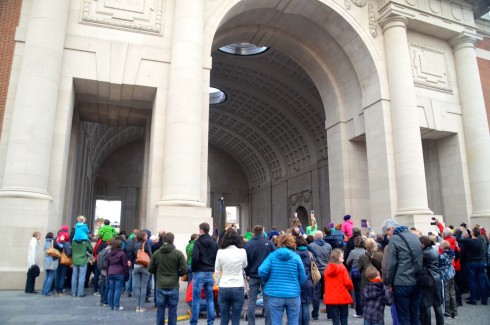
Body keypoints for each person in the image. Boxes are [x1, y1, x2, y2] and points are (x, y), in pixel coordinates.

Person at [258, 234, 306, 325]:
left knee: (276, 322)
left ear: (279, 243)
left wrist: (267, 280)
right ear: (292, 244)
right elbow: (303, 277)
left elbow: (261, 270)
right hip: (293, 294)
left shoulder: (272, 256)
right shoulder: (296, 257)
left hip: (274, 294)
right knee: (293, 322)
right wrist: (296, 284)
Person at [383, 218, 423, 325]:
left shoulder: (395, 239)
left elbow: (391, 264)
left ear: (391, 228)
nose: (388, 236)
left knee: (404, 316)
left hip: (401, 281)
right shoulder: (415, 237)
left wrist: (388, 282)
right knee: (415, 314)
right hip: (417, 280)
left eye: (387, 233)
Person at [149, 232, 187, 325]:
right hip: (173, 284)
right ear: (173, 240)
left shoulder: (156, 253)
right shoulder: (178, 254)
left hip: (161, 284)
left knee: (160, 309)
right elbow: (184, 270)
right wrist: (177, 274)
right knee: (173, 310)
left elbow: (150, 268)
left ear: (163, 240)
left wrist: (158, 273)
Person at [215, 229, 248, 325]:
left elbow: (217, 270)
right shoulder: (242, 251)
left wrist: (217, 283)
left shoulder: (220, 252)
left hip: (224, 286)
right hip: (237, 285)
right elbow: (245, 265)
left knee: (224, 318)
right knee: (236, 317)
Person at [244, 225, 275, 325]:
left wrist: (248, 272)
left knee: (252, 300)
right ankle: (268, 323)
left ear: (253, 232)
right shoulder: (269, 243)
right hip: (266, 276)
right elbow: (274, 257)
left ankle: (251, 323)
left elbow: (245, 261)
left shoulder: (248, 244)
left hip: (253, 275)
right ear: (262, 232)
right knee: (267, 300)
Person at [190, 222, 220, 325]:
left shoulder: (198, 242)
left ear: (201, 230)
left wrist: (194, 269)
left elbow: (194, 257)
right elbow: (218, 258)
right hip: (210, 272)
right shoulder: (214, 243)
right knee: (210, 299)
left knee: (196, 299)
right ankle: (210, 322)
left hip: (199, 272)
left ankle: (194, 322)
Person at [456, 227, 488, 305]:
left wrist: (460, 231)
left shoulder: (469, 241)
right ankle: (484, 300)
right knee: (482, 281)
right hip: (480, 262)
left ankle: (473, 299)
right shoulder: (481, 241)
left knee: (472, 281)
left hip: (471, 263)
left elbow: (458, 239)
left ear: (472, 233)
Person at [323, 248, 353, 325]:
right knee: (344, 319)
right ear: (337, 258)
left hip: (332, 297)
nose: (343, 258)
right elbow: (347, 282)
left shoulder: (327, 269)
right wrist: (351, 288)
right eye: (341, 257)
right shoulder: (342, 268)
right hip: (342, 296)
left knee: (335, 320)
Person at [419, 236, 444, 325]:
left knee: (426, 304)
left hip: (428, 278)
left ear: (422, 243)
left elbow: (419, 265)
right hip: (436, 278)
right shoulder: (435, 251)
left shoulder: (424, 253)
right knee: (437, 305)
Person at [308, 230, 332, 320]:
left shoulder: (311, 246)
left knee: (316, 293)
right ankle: (329, 314)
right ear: (322, 237)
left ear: (315, 237)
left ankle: (315, 315)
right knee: (327, 292)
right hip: (327, 271)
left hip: (316, 272)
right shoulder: (328, 246)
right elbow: (330, 258)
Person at [295, 235, 315, 325]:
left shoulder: (294, 254)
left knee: (298, 305)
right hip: (308, 281)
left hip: (297, 281)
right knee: (306, 304)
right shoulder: (310, 254)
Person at [346, 236, 366, 318]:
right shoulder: (365, 251)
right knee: (364, 292)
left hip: (355, 273)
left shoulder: (353, 252)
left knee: (357, 293)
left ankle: (359, 312)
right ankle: (365, 310)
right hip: (364, 273)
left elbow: (347, 262)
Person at [107, 239, 128, 311]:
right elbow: (125, 265)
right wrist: (126, 275)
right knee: (118, 289)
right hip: (119, 273)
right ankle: (116, 305)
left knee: (111, 289)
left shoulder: (109, 253)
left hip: (110, 272)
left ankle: (111, 305)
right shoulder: (122, 254)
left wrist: (108, 273)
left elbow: (108, 264)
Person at [133, 230, 152, 311]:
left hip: (136, 266)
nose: (147, 236)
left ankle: (137, 306)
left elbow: (132, 255)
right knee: (143, 288)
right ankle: (141, 306)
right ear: (143, 237)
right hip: (144, 266)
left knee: (137, 287)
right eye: (146, 235)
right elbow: (151, 255)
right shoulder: (146, 244)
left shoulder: (135, 245)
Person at [439, 240, 457, 319]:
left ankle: (448, 313)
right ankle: (454, 312)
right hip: (451, 274)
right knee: (452, 293)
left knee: (446, 294)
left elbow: (440, 264)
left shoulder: (442, 256)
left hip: (445, 275)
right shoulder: (452, 253)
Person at [71, 233, 93, 297]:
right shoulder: (85, 242)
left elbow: (72, 249)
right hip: (83, 260)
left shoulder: (73, 242)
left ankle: (73, 292)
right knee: (82, 277)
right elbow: (91, 250)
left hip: (75, 260)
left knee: (74, 277)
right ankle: (80, 293)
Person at [97, 239, 111, 307]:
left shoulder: (103, 250)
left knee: (103, 284)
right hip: (107, 270)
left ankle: (102, 299)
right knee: (107, 285)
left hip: (102, 269)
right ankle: (105, 300)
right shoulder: (109, 251)